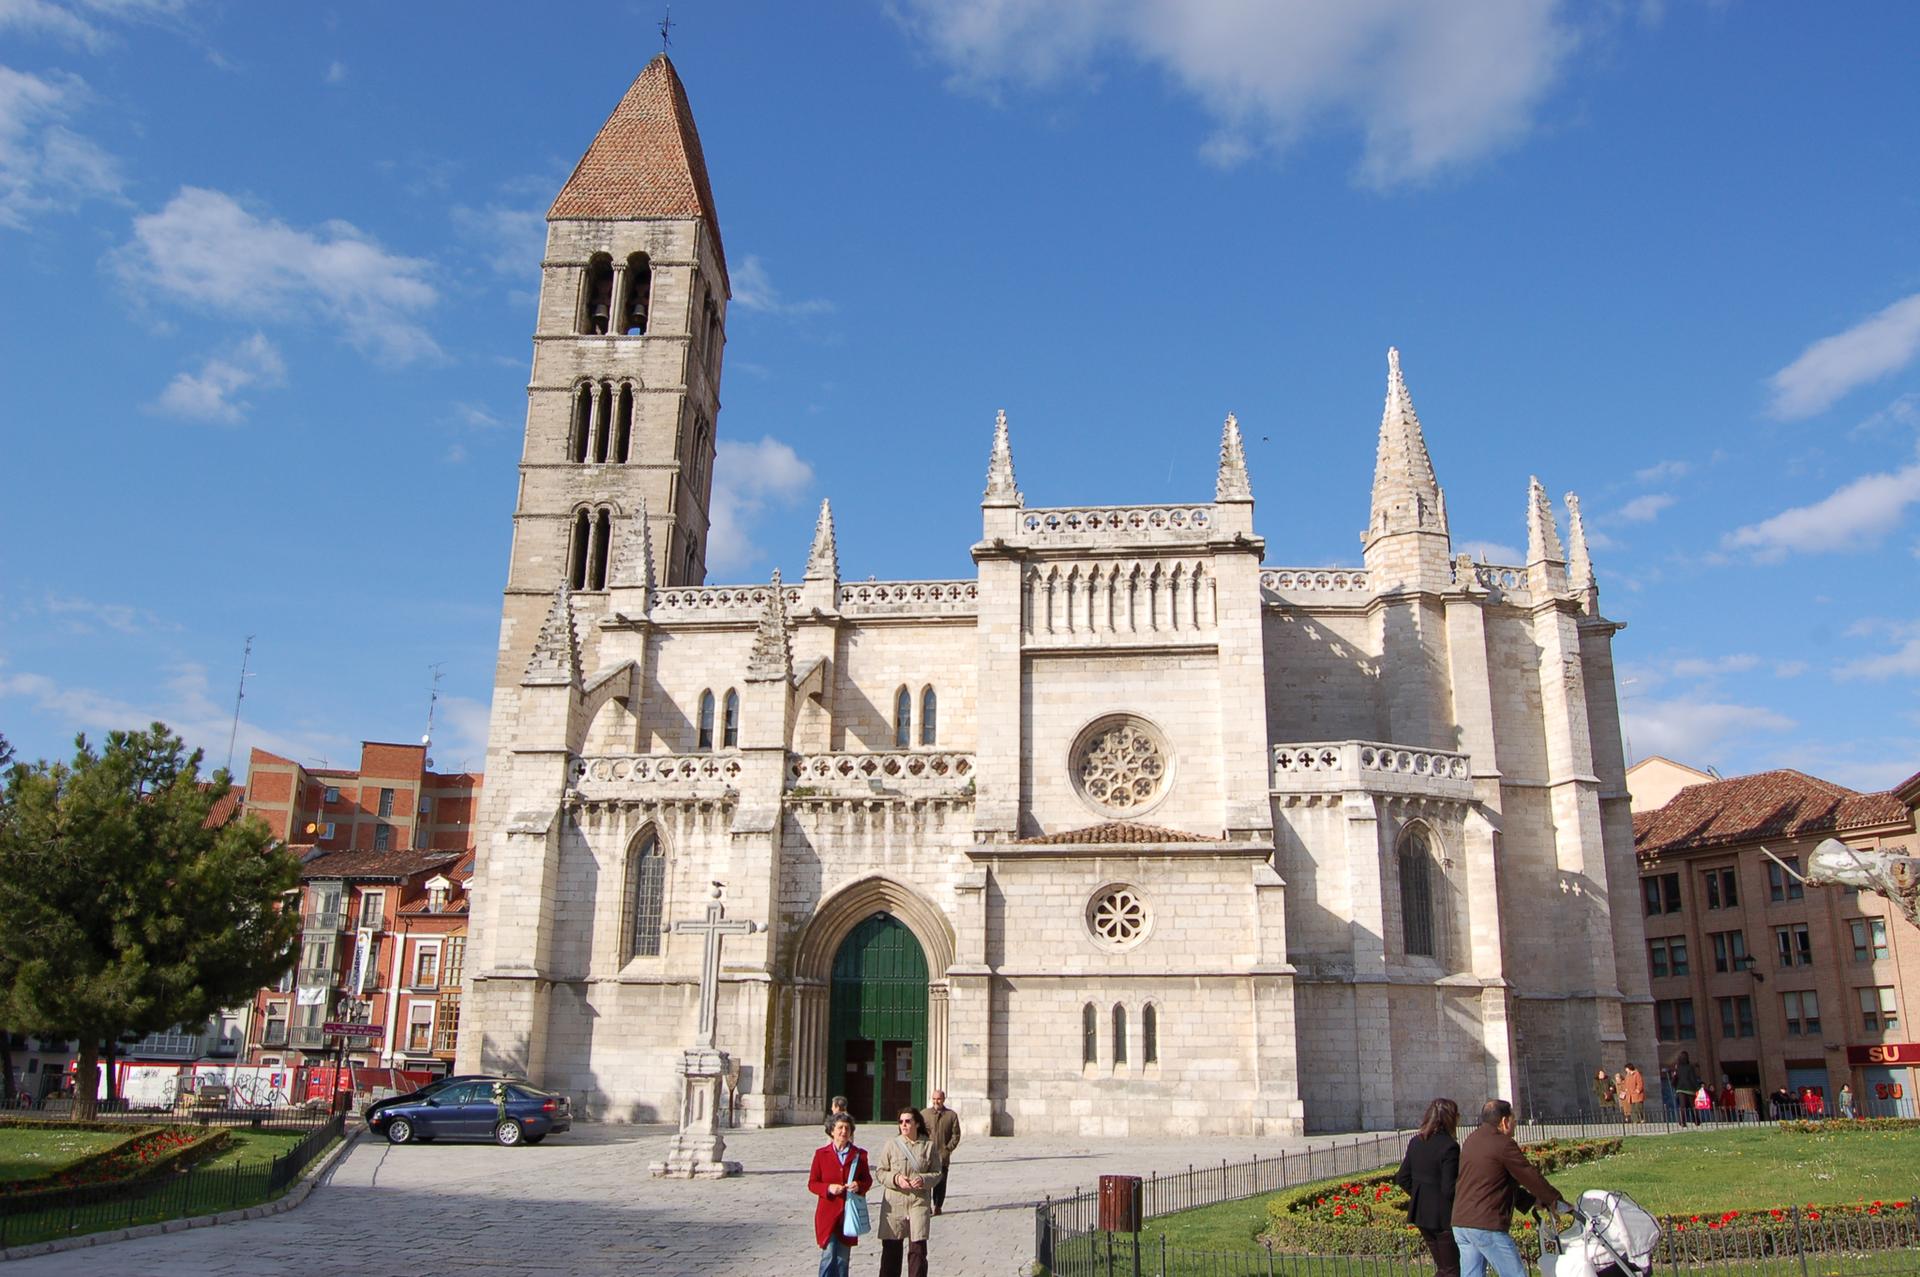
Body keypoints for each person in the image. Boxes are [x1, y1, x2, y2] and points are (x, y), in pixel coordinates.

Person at [1451, 1099, 1569, 1277]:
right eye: (1514, 1119)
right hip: (1486, 1223)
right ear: (1504, 1121)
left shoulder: (1472, 1139)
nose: (1515, 1124)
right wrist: (1555, 1200)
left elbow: (1494, 1183)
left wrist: (1533, 1201)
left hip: (1462, 1222)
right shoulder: (1503, 1144)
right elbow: (1528, 1175)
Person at [1394, 1098, 1462, 1277]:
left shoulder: (1416, 1141)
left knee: (1444, 1268)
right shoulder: (1449, 1146)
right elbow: (1449, 1188)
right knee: (1452, 1270)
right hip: (1443, 1217)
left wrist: (1422, 1195)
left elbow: (1402, 1178)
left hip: (1421, 1214)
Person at [875, 1106, 943, 1277]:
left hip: (918, 1201)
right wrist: (896, 1179)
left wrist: (923, 1180)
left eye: (907, 1121)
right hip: (894, 1203)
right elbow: (880, 1172)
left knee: (918, 1250)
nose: (904, 1125)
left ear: (917, 1124)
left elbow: (937, 1173)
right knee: (891, 1250)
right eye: (901, 1122)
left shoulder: (928, 1146)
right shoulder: (891, 1145)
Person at [809, 1114, 873, 1277]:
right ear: (832, 1131)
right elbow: (813, 1183)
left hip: (848, 1214)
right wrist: (828, 1188)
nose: (844, 1131)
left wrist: (859, 1185)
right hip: (828, 1214)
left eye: (847, 1128)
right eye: (840, 1128)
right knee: (828, 1255)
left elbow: (867, 1181)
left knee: (842, 1260)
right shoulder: (821, 1154)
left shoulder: (859, 1155)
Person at [920, 1089, 962, 1216]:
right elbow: (919, 1132)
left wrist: (948, 1149)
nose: (936, 1101)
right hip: (926, 1155)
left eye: (938, 1099)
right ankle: (926, 1205)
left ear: (943, 1099)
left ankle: (938, 1205)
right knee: (926, 1182)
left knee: (941, 1182)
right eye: (934, 1099)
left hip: (942, 1156)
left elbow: (956, 1135)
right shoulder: (924, 1114)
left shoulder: (951, 1115)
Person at [1674, 1052, 1703, 1126]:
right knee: (1693, 1106)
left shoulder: (1678, 1068)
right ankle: (1696, 1121)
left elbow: (1675, 1078)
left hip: (1680, 1089)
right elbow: (1693, 1078)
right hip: (1690, 1089)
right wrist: (1697, 1087)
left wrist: (1675, 1086)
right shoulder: (1690, 1067)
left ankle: (1683, 1122)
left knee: (1682, 1107)